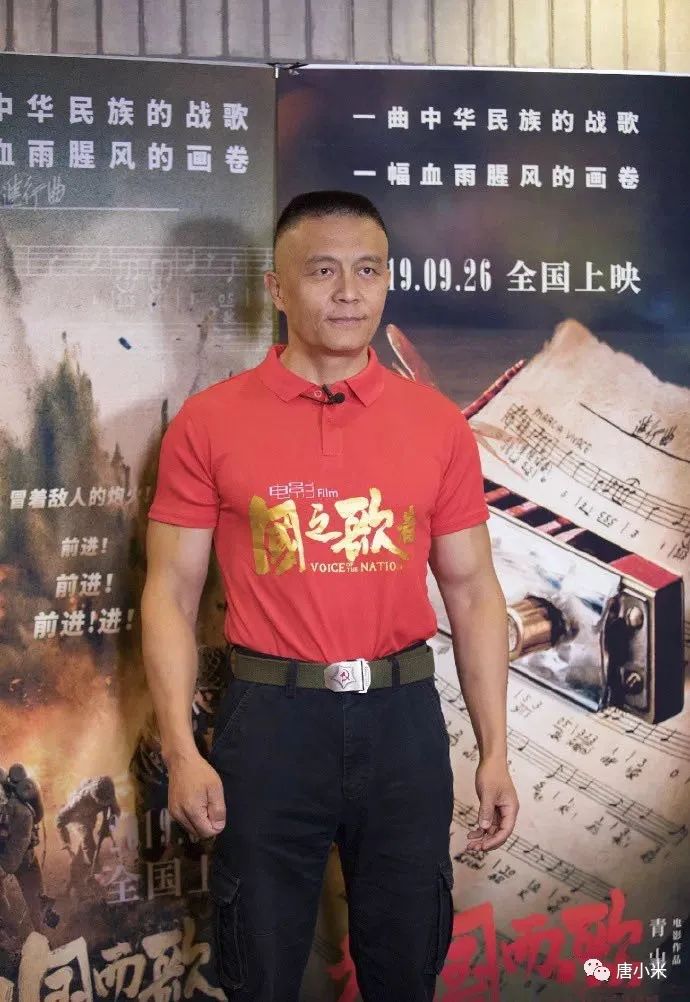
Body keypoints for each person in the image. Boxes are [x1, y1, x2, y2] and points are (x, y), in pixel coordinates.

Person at [142, 189, 519, 1001]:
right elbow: (170, 592)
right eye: (322, 272)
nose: (349, 293)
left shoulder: (437, 425)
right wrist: (180, 750)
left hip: (402, 721)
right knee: (260, 967)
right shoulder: (209, 423)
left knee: (406, 964)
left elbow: (472, 591)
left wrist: (495, 749)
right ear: (277, 288)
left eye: (368, 270)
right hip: (270, 723)